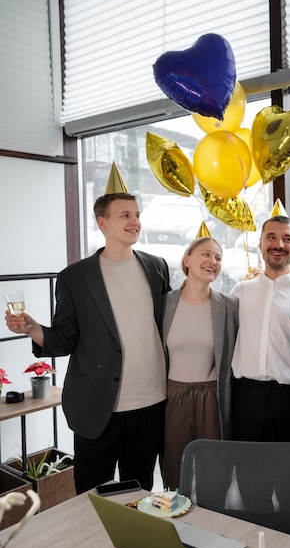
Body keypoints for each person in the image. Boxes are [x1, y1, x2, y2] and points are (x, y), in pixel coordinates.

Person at [5, 192, 170, 494]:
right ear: (102, 223)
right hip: (97, 407)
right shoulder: (74, 277)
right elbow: (65, 340)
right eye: (125, 215)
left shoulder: (156, 266)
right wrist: (32, 328)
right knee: (92, 499)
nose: (135, 221)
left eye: (136, 214)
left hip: (151, 403)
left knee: (141, 494)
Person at [231, 215, 290, 442]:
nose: (279, 245)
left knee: (287, 471)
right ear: (260, 243)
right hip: (244, 397)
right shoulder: (241, 290)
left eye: (287, 239)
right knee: (246, 469)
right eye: (271, 237)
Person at [162, 237, 239, 490]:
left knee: (215, 474)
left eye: (218, 258)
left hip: (212, 398)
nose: (213, 262)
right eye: (206, 255)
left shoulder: (229, 306)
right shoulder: (164, 303)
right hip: (173, 398)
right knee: (174, 473)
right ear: (187, 261)